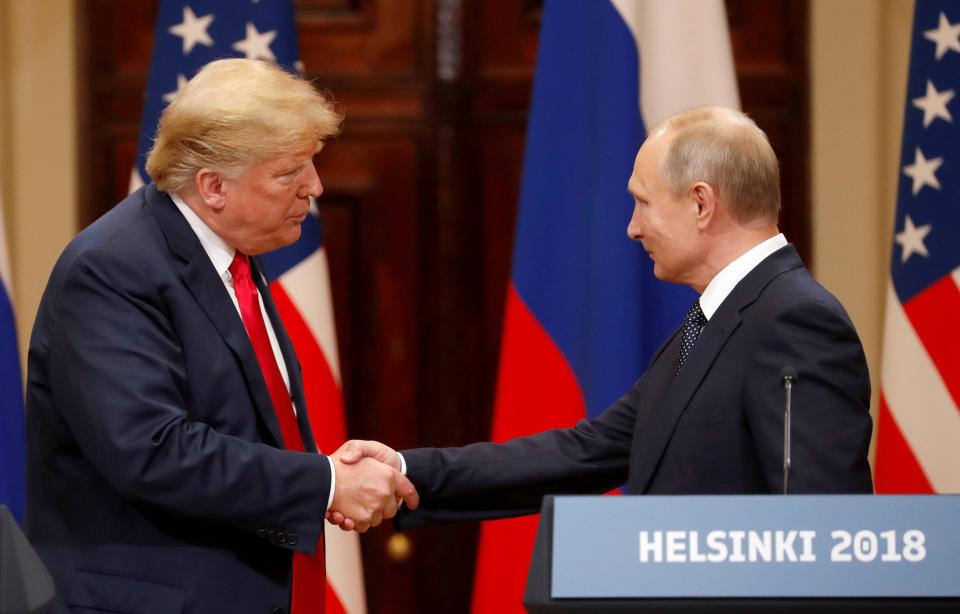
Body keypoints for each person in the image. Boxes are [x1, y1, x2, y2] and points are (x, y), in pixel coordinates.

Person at [330, 106, 873, 530]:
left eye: (643, 203)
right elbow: (585, 452)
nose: (633, 228)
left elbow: (824, 531)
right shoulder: (716, 319)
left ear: (701, 204)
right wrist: (405, 471)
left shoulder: (794, 320)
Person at [25, 59, 416, 613]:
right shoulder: (111, 269)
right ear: (213, 186)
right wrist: (325, 482)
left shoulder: (231, 256)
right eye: (291, 171)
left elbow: (243, 426)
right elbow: (154, 452)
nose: (316, 187)